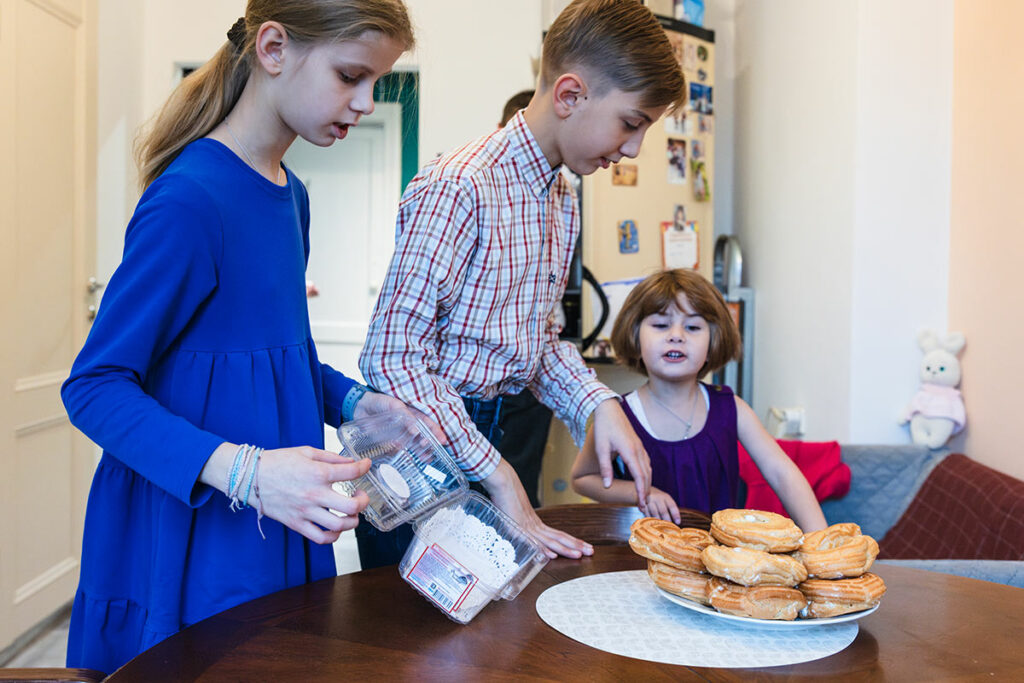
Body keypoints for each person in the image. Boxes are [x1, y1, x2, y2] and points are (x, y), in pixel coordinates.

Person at [60, 1, 426, 673]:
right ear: (274, 48)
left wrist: (350, 403)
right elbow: (94, 387)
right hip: (195, 530)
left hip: (270, 518)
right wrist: (250, 472)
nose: (367, 102)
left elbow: (270, 353)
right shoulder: (190, 200)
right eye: (351, 76)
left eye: (377, 81)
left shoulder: (293, 195)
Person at [358, 0, 686, 567]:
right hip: (424, 452)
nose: (634, 148)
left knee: (497, 639)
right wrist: (500, 475)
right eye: (632, 123)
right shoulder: (460, 186)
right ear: (569, 96)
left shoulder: (561, 199)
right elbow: (391, 358)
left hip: (491, 434)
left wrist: (599, 405)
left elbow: (539, 340)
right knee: (416, 649)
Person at [570, 269, 827, 533]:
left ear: (712, 343)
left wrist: (821, 543)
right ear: (635, 337)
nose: (677, 335)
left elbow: (783, 475)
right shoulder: (616, 415)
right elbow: (583, 478)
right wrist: (640, 493)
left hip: (718, 563)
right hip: (638, 564)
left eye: (692, 327)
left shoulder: (732, 408)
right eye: (661, 325)